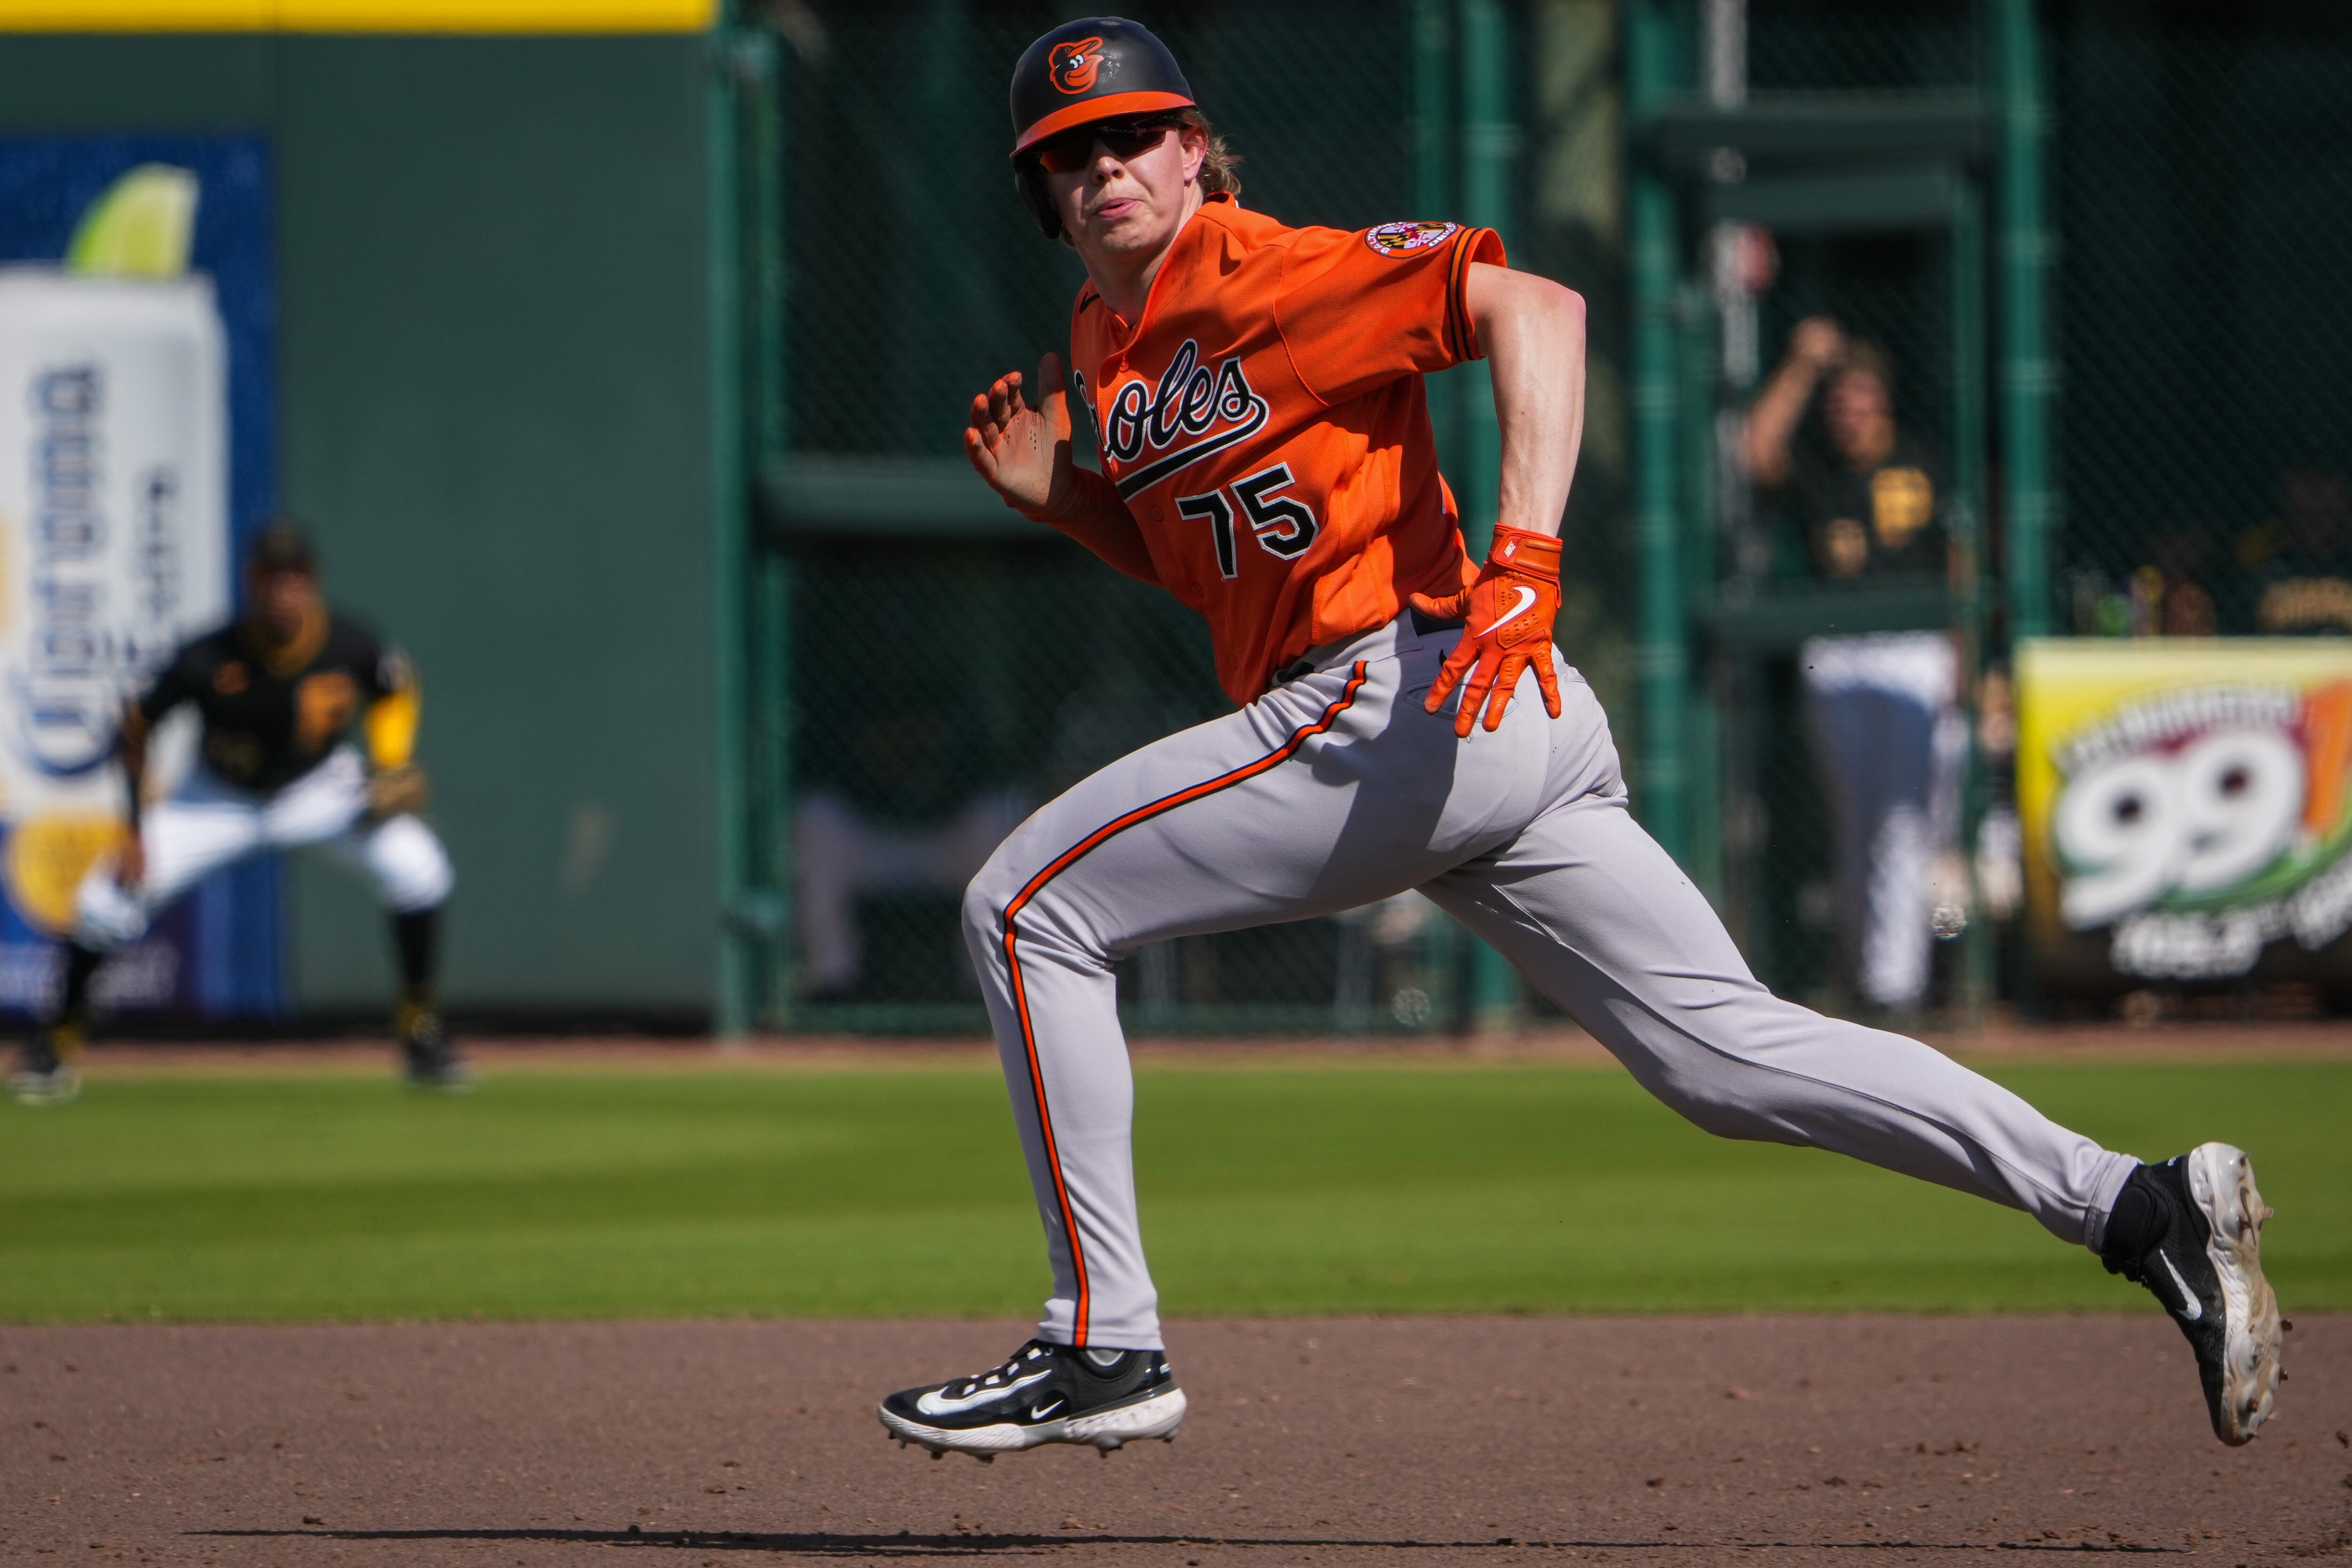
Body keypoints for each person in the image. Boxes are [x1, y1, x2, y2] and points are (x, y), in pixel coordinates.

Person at [875, 18, 2282, 1461]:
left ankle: (1103, 1338)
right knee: (1727, 1063)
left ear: (1191, 147)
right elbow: (1227, 573)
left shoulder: (1269, 267)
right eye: (1069, 155)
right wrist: (1077, 504)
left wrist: (1526, 555)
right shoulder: (1105, 346)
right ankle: (2139, 1204)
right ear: (1041, 197)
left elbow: (1534, 308)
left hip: (1406, 695)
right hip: (1450, 721)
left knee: (1026, 904)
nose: (1104, 165)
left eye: (1130, 134)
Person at [6, 519, 461, 1104]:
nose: (284, 592)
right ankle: (55, 1045)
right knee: (102, 903)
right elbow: (135, 727)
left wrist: (392, 759)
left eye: (295, 580)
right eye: (273, 580)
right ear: (252, 582)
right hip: (214, 798)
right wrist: (133, 829)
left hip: (318, 787)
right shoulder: (206, 655)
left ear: (313, 583)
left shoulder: (347, 641)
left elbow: (393, 684)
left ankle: (421, 1031)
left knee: (419, 868)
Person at [1744, 318, 1964, 1013]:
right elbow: (1756, 450)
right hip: (1838, 648)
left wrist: (1967, 657)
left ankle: (1894, 986)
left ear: (1884, 401)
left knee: (1905, 820)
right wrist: (1803, 367)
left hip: (1913, 649)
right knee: (1855, 824)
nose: (1852, 411)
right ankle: (1865, 976)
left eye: (1862, 398)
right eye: (1842, 400)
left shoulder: (1922, 458)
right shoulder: (1817, 469)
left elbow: (1962, 566)